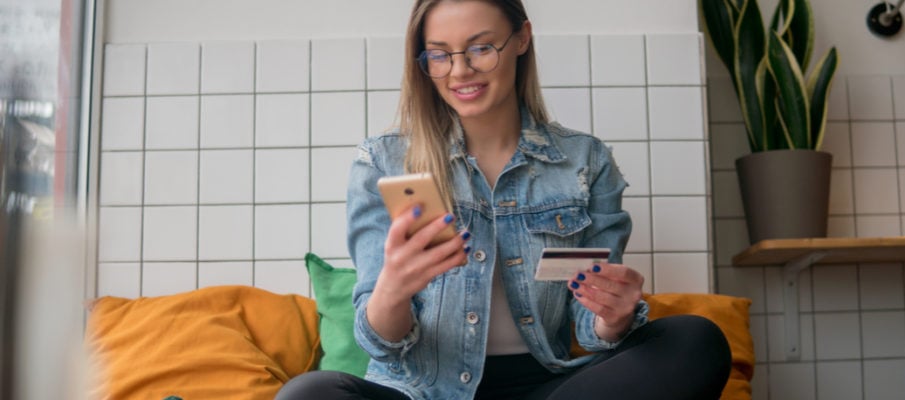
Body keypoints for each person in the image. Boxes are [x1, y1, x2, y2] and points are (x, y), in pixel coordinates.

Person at [277, 1, 731, 399]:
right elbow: (379, 342)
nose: (459, 71)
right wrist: (393, 288)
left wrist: (613, 317)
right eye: (439, 54)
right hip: (421, 391)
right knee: (308, 394)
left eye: (480, 47)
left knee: (695, 340)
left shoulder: (583, 160)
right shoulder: (384, 160)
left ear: (521, 39)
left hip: (544, 385)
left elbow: (590, 331)